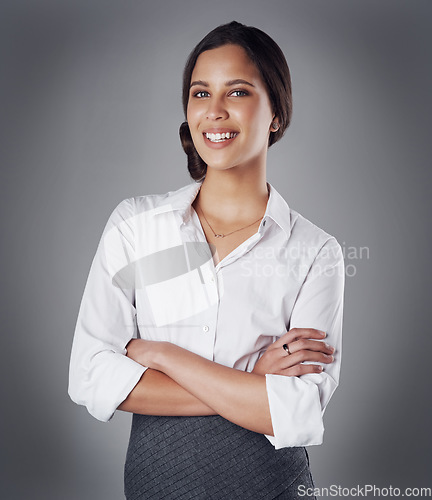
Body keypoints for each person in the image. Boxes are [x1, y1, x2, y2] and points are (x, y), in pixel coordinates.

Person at [68, 21, 344, 499]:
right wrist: (250, 385)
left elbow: (297, 412)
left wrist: (161, 355)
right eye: (200, 93)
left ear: (276, 113)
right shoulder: (136, 227)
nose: (214, 112)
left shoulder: (316, 251)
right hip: (159, 482)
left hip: (271, 484)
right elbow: (90, 377)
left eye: (236, 92)